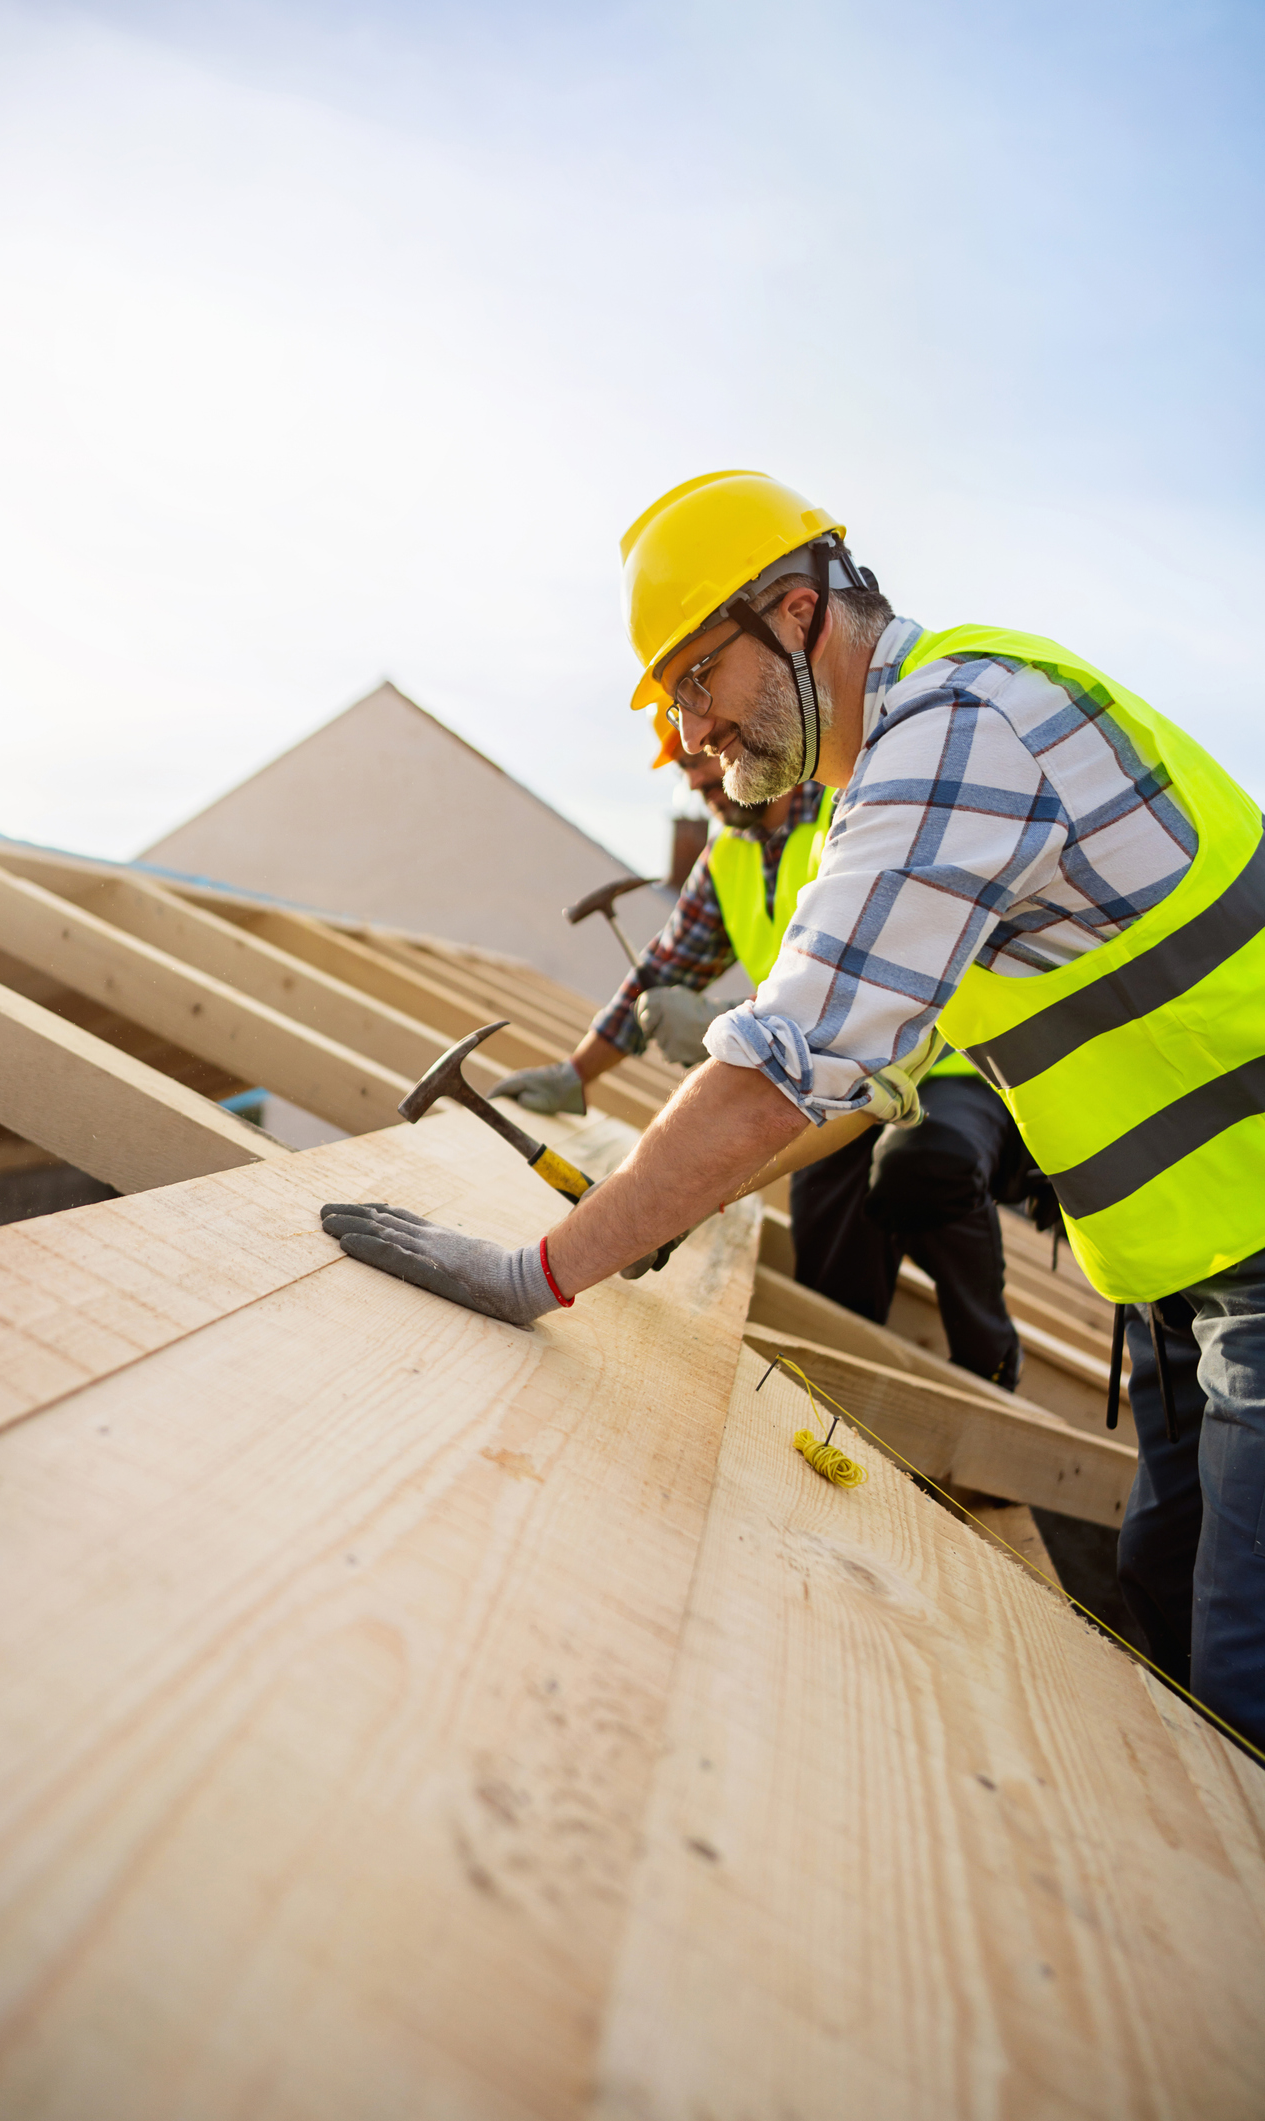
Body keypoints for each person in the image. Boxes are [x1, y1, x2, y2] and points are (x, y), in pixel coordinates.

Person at [322, 468, 1265, 1754]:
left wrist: (544, 1269)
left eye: (697, 681)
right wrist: (658, 1204)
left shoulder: (958, 728)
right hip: (1183, 1273)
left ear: (794, 611)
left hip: (1253, 1266)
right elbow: (856, 1081)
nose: (694, 735)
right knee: (1160, 1592)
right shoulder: (880, 790)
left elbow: (785, 1069)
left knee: (1241, 1668)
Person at [493, 747, 1029, 1386]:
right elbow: (662, 969)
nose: (696, 782)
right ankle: (848, 1387)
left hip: (947, 1068)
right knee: (827, 1238)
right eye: (684, 773)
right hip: (822, 1077)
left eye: (702, 759)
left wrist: (730, 1019)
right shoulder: (728, 854)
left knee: (924, 1167)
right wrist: (578, 1076)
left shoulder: (847, 812)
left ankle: (988, 1362)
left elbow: (863, 976)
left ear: (745, 745)